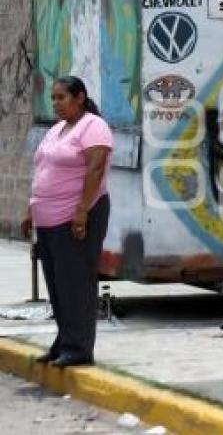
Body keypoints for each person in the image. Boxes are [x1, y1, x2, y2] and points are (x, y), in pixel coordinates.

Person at [21, 76, 113, 367]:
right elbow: (43, 169)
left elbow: (95, 167)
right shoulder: (58, 129)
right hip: (47, 219)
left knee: (76, 283)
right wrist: (30, 211)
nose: (56, 104)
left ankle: (79, 348)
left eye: (61, 97)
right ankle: (64, 341)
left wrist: (82, 210)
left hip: (76, 216)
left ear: (80, 97)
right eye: (53, 98)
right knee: (57, 284)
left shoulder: (93, 126)